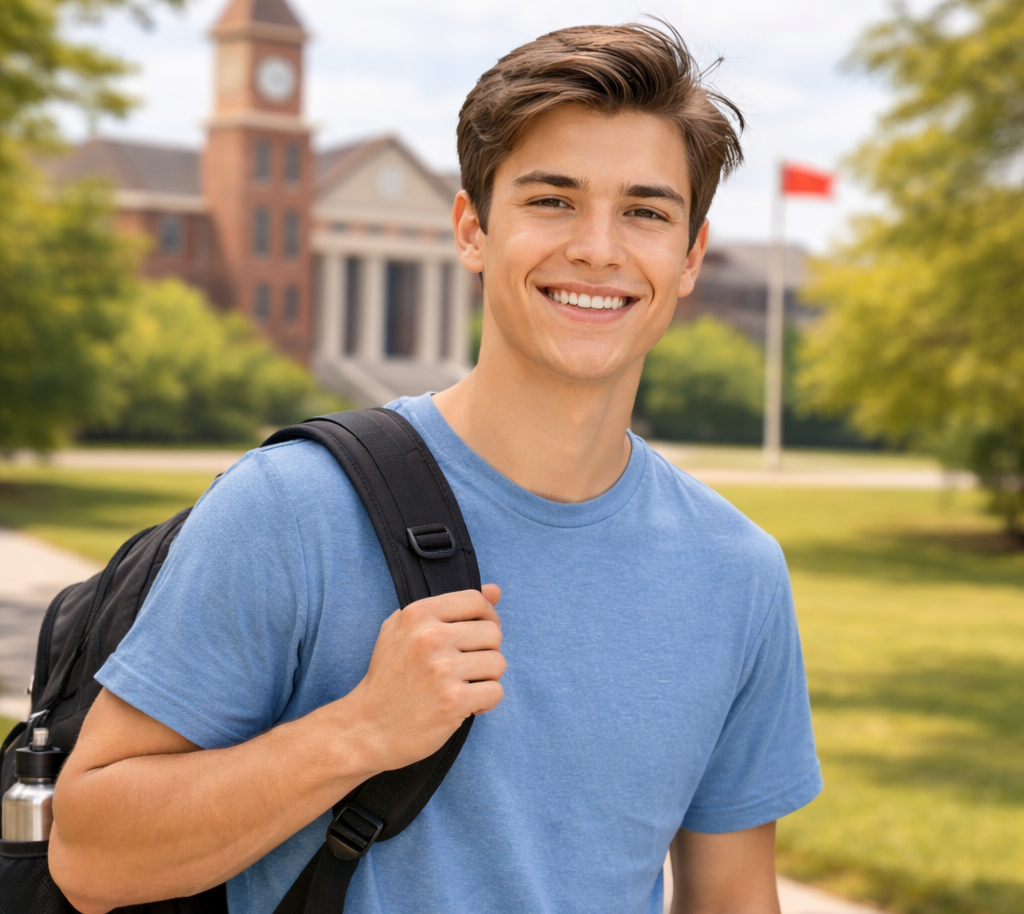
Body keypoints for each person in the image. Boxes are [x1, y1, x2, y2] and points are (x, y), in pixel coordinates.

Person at [50, 23, 821, 914]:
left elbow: (730, 896)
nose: (599, 250)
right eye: (553, 200)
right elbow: (89, 855)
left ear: (689, 258)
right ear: (472, 229)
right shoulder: (291, 510)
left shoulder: (738, 572)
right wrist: (357, 732)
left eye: (645, 211)